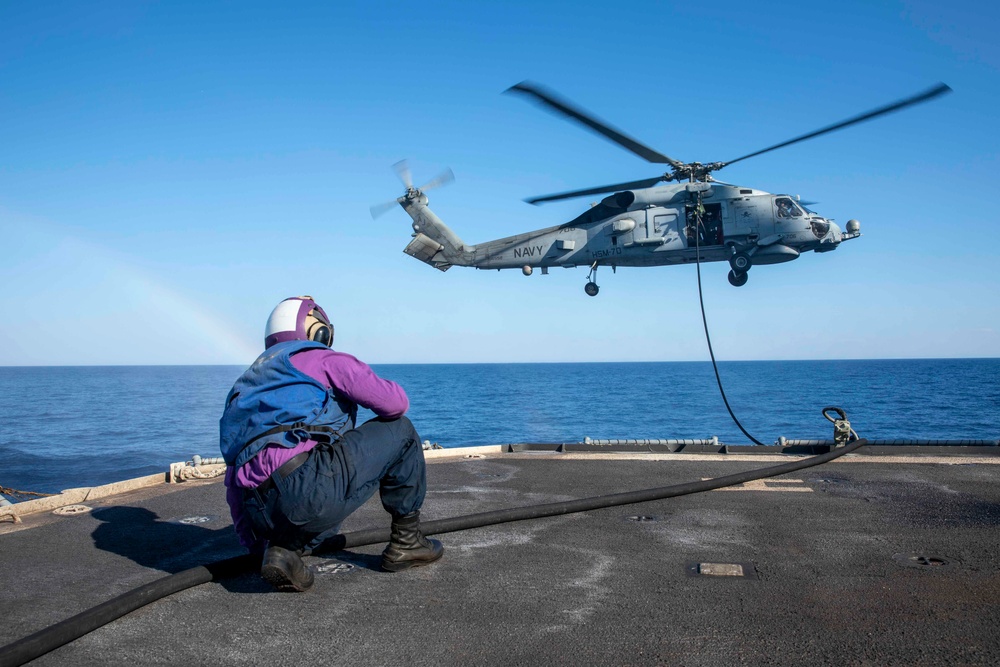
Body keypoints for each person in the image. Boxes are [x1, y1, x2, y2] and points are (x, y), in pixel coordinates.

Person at [219, 296, 443, 592]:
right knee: (401, 430)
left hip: (257, 512)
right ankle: (407, 542)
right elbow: (395, 404)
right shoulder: (321, 358)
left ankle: (283, 552)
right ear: (319, 331)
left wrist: (254, 546)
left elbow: (234, 481)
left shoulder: (243, 388)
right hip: (306, 491)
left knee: (314, 517)